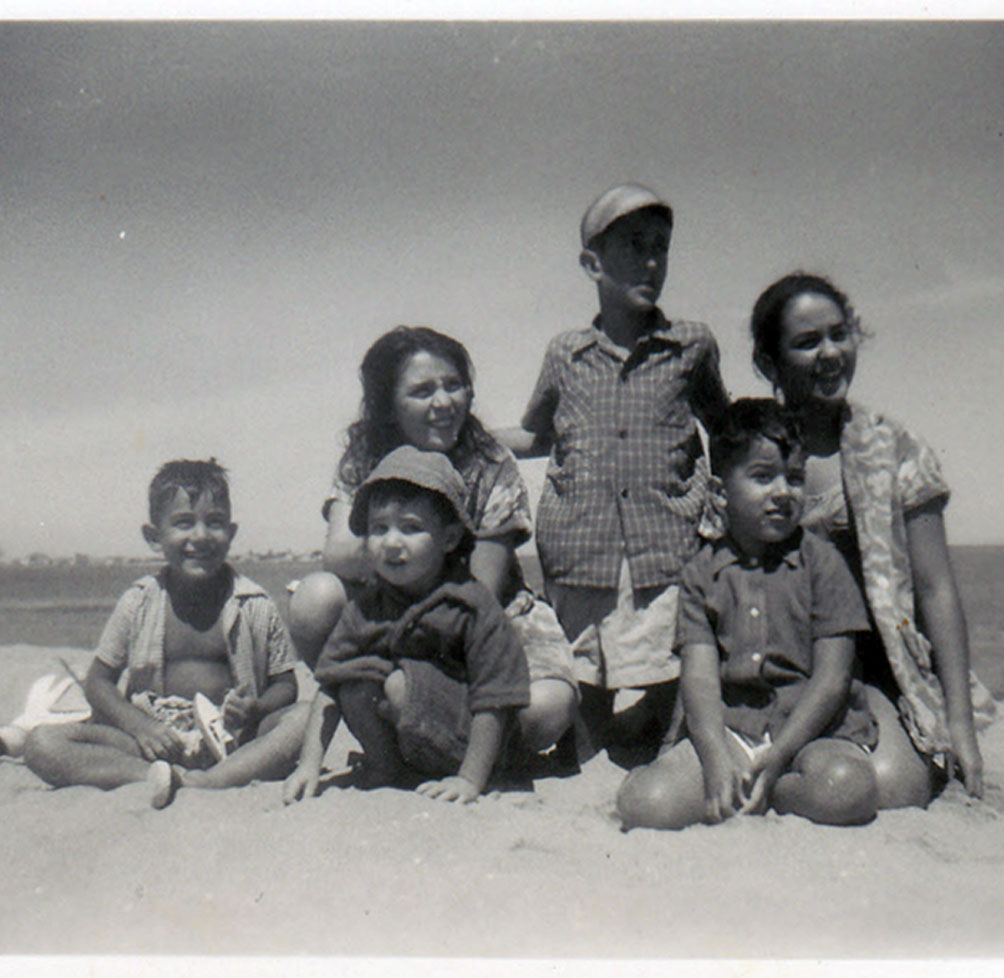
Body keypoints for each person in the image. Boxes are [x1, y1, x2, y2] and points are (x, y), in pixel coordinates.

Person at [502, 182, 730, 760]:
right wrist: (463, 436)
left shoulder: (691, 346)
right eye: (634, 246)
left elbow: (727, 430)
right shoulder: (566, 354)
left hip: (667, 549)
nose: (652, 262)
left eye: (661, 247)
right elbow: (536, 434)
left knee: (673, 689)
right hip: (582, 549)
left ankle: (662, 739)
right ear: (592, 264)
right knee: (583, 712)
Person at [747, 272, 994, 803]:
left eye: (839, 335)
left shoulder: (893, 448)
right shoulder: (748, 450)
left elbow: (935, 590)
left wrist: (960, 724)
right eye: (807, 342)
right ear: (770, 362)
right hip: (774, 664)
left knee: (898, 788)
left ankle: (790, 781)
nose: (830, 353)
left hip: (870, 667)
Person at [286, 326, 576, 758]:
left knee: (548, 708)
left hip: (483, 617)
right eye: (422, 391)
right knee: (315, 598)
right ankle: (393, 744)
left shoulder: (490, 462)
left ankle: (449, 742)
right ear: (388, 406)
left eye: (453, 386)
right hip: (392, 610)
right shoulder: (364, 458)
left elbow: (481, 588)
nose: (443, 402)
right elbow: (340, 552)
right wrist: (413, 550)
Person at [616, 400, 880, 830]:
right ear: (720, 493)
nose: (783, 492)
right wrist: (716, 761)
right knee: (645, 803)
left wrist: (779, 755)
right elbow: (700, 680)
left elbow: (833, 680)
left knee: (847, 788)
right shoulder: (701, 573)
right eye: (763, 477)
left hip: (813, 733)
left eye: (794, 478)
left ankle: (778, 792)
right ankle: (750, 786)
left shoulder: (824, 564)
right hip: (734, 730)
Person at [23, 459, 308, 809]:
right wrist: (139, 725)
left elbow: (286, 684)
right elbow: (98, 682)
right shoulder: (138, 602)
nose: (200, 536)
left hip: (234, 740)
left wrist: (256, 708)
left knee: (306, 716)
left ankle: (207, 781)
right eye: (184, 523)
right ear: (154, 537)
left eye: (214, 522)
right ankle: (153, 776)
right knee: (41, 744)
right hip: (153, 742)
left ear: (231, 533)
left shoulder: (255, 604)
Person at [285, 446, 531, 804]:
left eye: (411, 528)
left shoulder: (470, 605)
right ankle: (388, 770)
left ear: (449, 538)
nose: (391, 543)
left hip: (475, 744)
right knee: (353, 684)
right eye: (379, 528)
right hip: (413, 735)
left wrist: (470, 779)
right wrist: (309, 765)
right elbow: (329, 684)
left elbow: (495, 699)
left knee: (399, 685)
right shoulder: (367, 606)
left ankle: (456, 773)